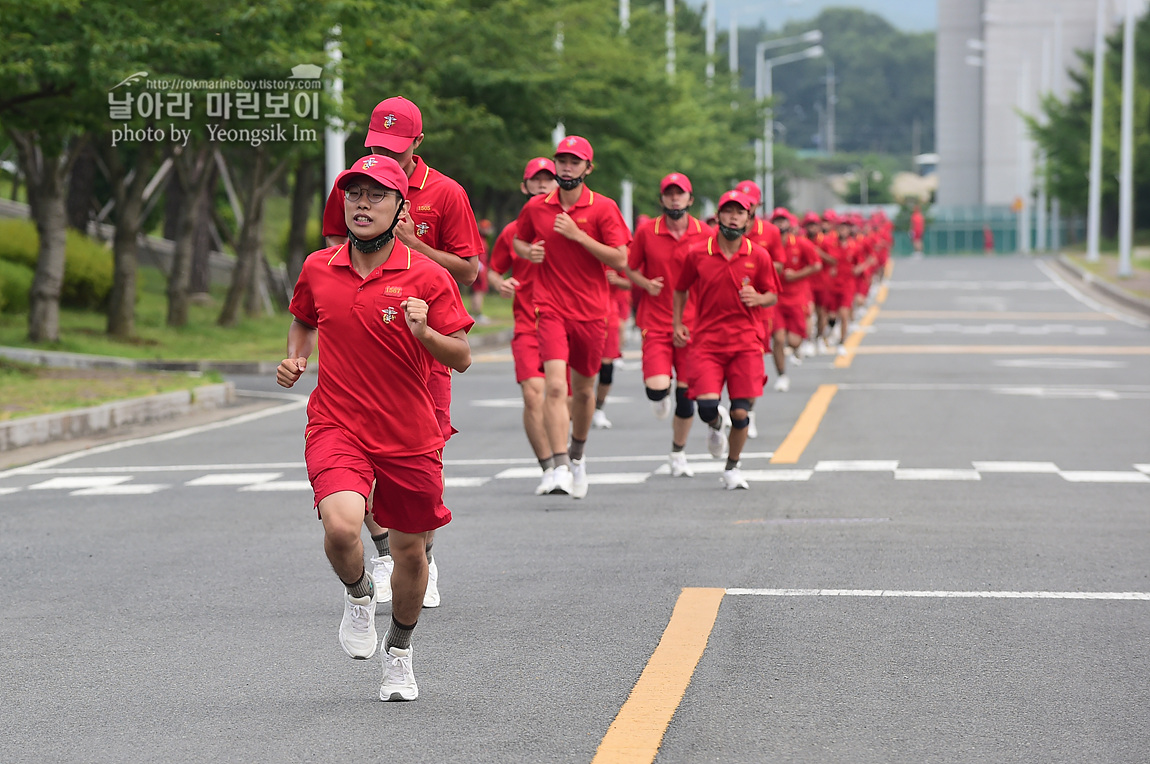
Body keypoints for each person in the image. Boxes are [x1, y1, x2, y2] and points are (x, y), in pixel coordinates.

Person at [278, 155, 474, 701]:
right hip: (337, 422)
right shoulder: (319, 266)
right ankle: (359, 592)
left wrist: (425, 333)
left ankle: (400, 652)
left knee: (411, 554)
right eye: (354, 195)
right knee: (341, 527)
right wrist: (295, 358)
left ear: (400, 208)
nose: (363, 205)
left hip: (410, 433)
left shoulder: (428, 275)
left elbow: (460, 356)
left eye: (377, 196)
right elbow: (302, 317)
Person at [320, 96, 485, 609]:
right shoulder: (354, 187)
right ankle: (387, 549)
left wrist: (415, 247)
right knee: (359, 461)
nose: (388, 155)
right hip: (366, 349)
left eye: (398, 147)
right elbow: (333, 251)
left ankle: (421, 554)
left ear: (418, 142)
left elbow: (469, 271)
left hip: (425, 351)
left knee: (422, 459)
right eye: (377, 145)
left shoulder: (446, 193)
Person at [513, 135, 631, 499]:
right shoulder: (537, 208)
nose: (566, 167)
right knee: (555, 387)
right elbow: (518, 240)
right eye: (561, 160)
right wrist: (529, 251)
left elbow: (620, 259)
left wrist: (579, 236)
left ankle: (578, 452)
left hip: (592, 313)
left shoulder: (604, 208)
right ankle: (561, 464)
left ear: (587, 168)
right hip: (550, 309)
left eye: (574, 161)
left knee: (582, 391)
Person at [673, 189, 779, 490]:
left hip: (745, 342)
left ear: (749, 219)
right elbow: (680, 289)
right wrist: (678, 322)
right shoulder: (697, 253)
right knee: (706, 407)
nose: (733, 217)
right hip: (706, 341)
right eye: (728, 211)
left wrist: (758, 297)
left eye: (740, 212)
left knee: (741, 411)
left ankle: (732, 467)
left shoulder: (758, 255)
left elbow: (772, 293)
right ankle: (716, 426)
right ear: (718, 216)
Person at [625, 172, 711, 476]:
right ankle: (659, 397)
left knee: (686, 398)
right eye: (669, 193)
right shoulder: (647, 232)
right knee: (657, 390)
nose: (675, 198)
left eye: (680, 193)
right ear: (662, 199)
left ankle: (678, 453)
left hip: (693, 324)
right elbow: (629, 267)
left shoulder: (705, 234)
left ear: (690, 199)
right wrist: (646, 284)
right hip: (656, 321)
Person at [487, 157, 561, 494]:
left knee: (564, 397)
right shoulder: (511, 232)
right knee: (534, 395)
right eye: (536, 180)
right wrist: (499, 284)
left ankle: (567, 458)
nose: (543, 185)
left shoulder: (567, 226)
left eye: (549, 179)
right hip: (528, 324)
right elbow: (492, 269)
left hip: (565, 321)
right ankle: (548, 467)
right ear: (524, 186)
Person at [768, 207, 821, 393]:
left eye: (783, 220)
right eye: (777, 220)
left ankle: (799, 347)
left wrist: (797, 275)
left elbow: (816, 265)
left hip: (796, 298)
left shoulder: (801, 244)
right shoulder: (767, 245)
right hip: (775, 299)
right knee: (779, 339)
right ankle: (782, 375)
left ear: (789, 224)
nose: (780, 224)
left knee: (794, 341)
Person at [591, 269, 632, 430]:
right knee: (582, 369)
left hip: (609, 315)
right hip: (582, 313)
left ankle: (598, 409)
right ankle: (577, 409)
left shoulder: (614, 254)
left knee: (606, 368)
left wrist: (616, 279)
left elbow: (631, 282)